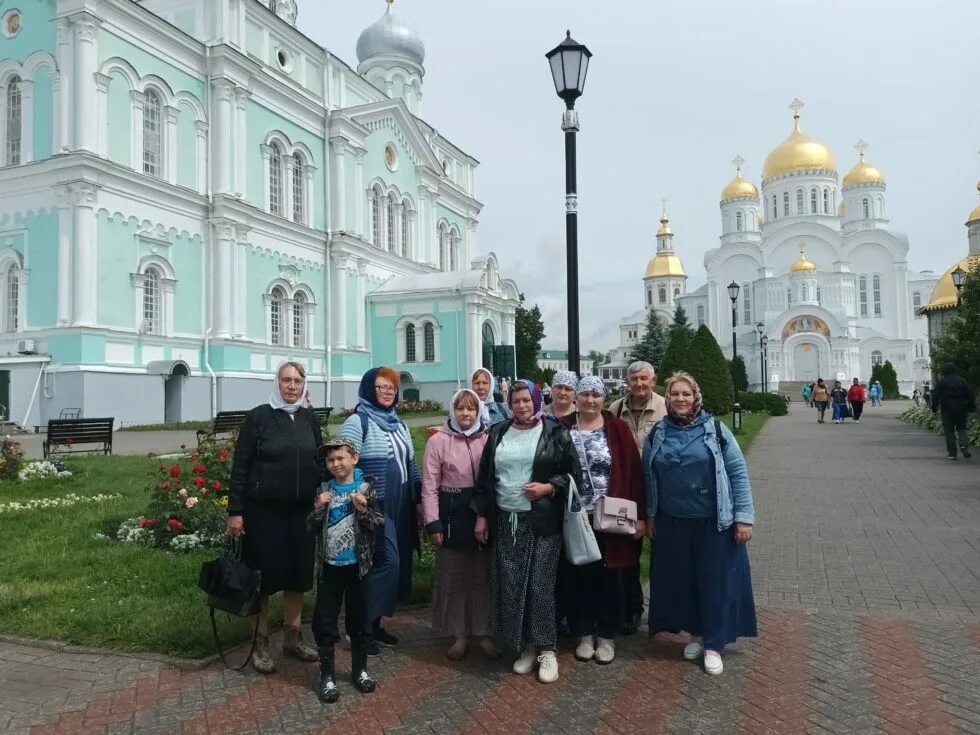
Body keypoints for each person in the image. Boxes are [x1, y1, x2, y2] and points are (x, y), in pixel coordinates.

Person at [642, 372, 757, 676]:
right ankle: (696, 634)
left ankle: (714, 644)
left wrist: (744, 518)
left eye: (686, 394)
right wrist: (651, 516)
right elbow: (648, 478)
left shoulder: (715, 430)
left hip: (713, 522)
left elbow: (737, 474)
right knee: (686, 582)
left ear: (696, 397)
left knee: (715, 583)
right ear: (667, 399)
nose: (680, 399)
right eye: (674, 394)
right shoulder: (659, 433)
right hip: (673, 522)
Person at [472, 379, 578, 684]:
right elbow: (486, 479)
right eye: (516, 400)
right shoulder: (498, 432)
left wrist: (548, 487)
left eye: (526, 400)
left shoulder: (554, 431)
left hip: (542, 521)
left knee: (539, 586)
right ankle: (527, 646)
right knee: (512, 584)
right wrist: (482, 516)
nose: (521, 405)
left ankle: (548, 649)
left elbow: (573, 474)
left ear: (535, 401)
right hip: (506, 521)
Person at [227, 361, 322, 674]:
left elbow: (319, 460)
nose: (292, 386)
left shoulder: (309, 418)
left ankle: (292, 638)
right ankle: (261, 643)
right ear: (277, 383)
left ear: (304, 384)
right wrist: (236, 512)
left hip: (302, 512)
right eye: (286, 380)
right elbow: (240, 466)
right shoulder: (259, 417)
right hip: (264, 511)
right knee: (262, 580)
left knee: (297, 575)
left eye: (297, 381)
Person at [558, 376, 646, 665]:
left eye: (596, 395)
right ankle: (583, 632)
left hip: (611, 517)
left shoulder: (617, 429)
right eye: (585, 394)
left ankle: (606, 635)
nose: (590, 400)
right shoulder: (562, 428)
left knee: (611, 576)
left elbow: (633, 473)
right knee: (579, 574)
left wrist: (641, 517)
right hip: (575, 516)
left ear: (604, 398)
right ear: (576, 397)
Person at [339, 367, 422, 654]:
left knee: (390, 566)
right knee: (384, 564)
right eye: (381, 387)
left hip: (401, 502)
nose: (388, 392)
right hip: (375, 504)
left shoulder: (398, 423)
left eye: (392, 388)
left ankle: (373, 625)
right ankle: (358, 628)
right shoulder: (356, 421)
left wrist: (420, 498)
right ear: (368, 388)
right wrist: (361, 495)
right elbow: (344, 466)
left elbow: (410, 463)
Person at [421, 389, 500, 661]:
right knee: (454, 576)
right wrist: (433, 523)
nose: (465, 414)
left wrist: (487, 515)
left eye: (470, 409)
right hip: (452, 517)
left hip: (480, 514)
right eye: (459, 408)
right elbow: (430, 486)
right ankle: (459, 634)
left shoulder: (487, 440)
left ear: (478, 411)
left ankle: (483, 631)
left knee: (481, 576)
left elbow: (491, 481)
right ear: (452, 410)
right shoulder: (438, 442)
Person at [308, 438, 385, 702]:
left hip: (357, 568)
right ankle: (327, 675)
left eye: (341, 458)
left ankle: (360, 670)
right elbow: (310, 525)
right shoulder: (323, 488)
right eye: (330, 460)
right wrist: (319, 507)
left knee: (359, 617)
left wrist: (363, 509)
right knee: (325, 620)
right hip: (330, 568)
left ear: (354, 459)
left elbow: (378, 522)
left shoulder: (365, 488)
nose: (336, 463)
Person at [607, 360, 667, 634]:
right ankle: (631, 609)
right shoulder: (616, 409)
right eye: (634, 379)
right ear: (627, 381)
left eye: (644, 379)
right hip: (627, 489)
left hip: (660, 489)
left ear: (653, 380)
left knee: (664, 553)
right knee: (626, 552)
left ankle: (666, 612)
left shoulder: (666, 407)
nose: (639, 384)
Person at [931, 364, 977, 460]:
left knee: (949, 431)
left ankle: (952, 453)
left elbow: (936, 396)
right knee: (962, 428)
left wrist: (934, 407)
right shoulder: (962, 381)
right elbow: (970, 394)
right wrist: (971, 407)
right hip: (961, 407)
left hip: (947, 408)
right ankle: (964, 445)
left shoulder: (942, 382)